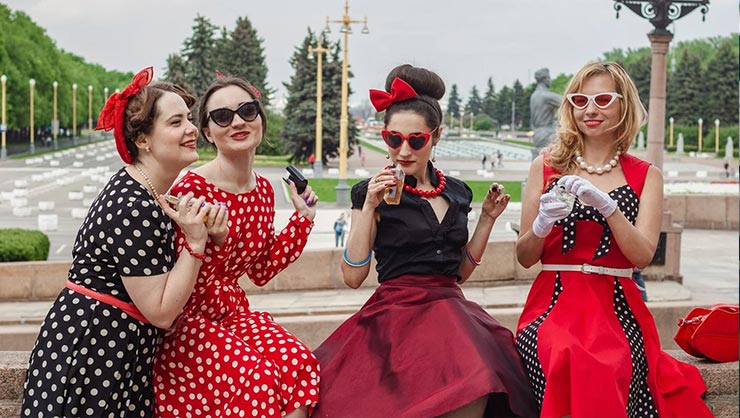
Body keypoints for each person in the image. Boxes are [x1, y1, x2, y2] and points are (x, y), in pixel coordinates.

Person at [312, 64, 538, 418]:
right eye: (393, 139)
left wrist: (487, 220)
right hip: (395, 314)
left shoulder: (459, 193)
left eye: (416, 140)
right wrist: (370, 205)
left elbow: (459, 273)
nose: (403, 150)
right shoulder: (369, 193)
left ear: (436, 136)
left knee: (480, 377)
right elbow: (353, 277)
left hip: (450, 311)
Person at [515, 61, 712, 417]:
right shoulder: (544, 167)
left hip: (616, 304)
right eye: (580, 100)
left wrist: (610, 209)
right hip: (554, 299)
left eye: (603, 99)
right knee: (560, 352)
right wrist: (542, 224)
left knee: (611, 362)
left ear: (624, 105)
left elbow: (642, 256)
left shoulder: (646, 176)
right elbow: (525, 257)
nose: (590, 109)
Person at [21, 67, 213, 417]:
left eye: (188, 118)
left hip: (104, 349)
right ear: (143, 140)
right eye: (175, 122)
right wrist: (196, 243)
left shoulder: (144, 192)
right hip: (93, 357)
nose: (191, 129)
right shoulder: (133, 205)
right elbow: (161, 311)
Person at [152, 75, 320, 418]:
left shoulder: (263, 191)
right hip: (188, 322)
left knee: (300, 364)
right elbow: (185, 275)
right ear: (208, 132)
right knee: (257, 379)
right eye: (223, 116)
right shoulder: (193, 189)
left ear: (260, 117)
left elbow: (259, 271)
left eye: (247, 110)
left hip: (233, 316)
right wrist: (215, 241)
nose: (238, 122)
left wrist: (303, 220)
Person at [529, 68, 562, 159]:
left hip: (538, 133)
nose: (550, 80)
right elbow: (568, 103)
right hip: (547, 134)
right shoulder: (546, 96)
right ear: (545, 79)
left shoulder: (534, 96)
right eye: (549, 78)